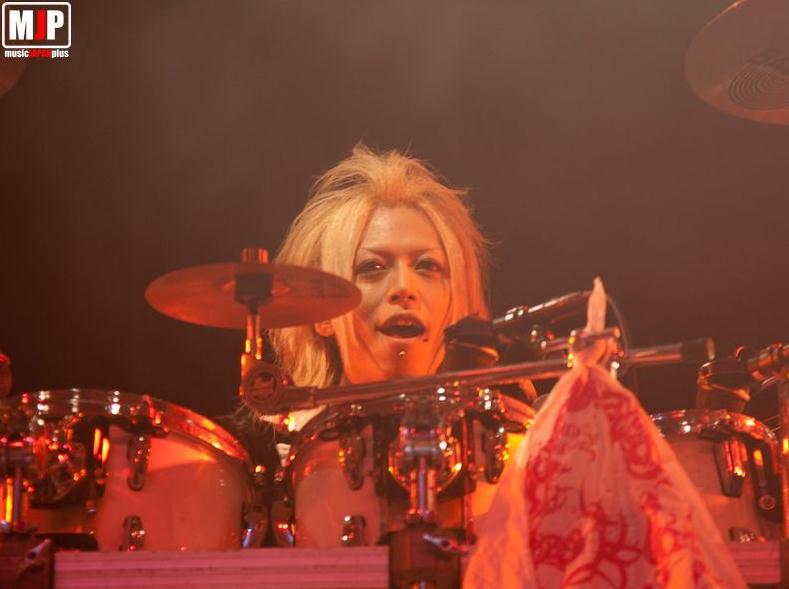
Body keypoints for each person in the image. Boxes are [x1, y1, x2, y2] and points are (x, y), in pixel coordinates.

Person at [246, 144, 747, 587]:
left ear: (459, 303)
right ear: (321, 313)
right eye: (372, 268)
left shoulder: (521, 442)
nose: (404, 288)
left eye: (428, 267)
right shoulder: (266, 460)